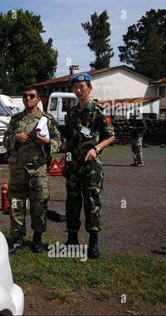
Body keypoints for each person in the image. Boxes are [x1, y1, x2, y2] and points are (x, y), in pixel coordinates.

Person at [62, 73, 115, 259]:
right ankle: (72, 239)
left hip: (91, 166)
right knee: (72, 202)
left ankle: (93, 243)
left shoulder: (99, 111)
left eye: (81, 87)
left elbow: (111, 136)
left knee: (92, 202)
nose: (78, 90)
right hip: (74, 166)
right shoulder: (71, 114)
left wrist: (96, 148)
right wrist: (67, 161)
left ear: (89, 88)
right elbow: (68, 141)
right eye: (75, 87)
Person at [3, 87, 62, 254]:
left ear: (38, 99)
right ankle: (17, 239)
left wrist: (47, 142)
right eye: (25, 96)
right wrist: (15, 137)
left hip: (38, 170)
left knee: (39, 205)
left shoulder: (46, 119)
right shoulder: (15, 120)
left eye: (32, 96)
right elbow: (4, 141)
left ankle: (37, 238)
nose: (28, 98)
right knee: (16, 205)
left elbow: (59, 141)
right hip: (18, 170)